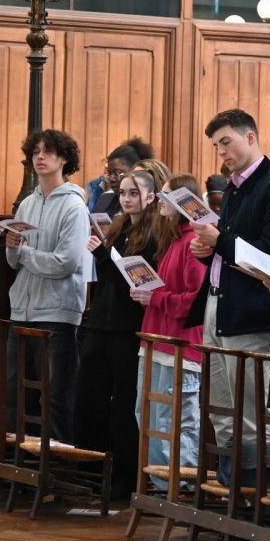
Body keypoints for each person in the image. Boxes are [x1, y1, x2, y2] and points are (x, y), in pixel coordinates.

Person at [186, 108, 270, 483]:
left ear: (250, 137)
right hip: (219, 306)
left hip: (251, 314)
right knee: (222, 411)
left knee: (251, 413)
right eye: (216, 145)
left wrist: (222, 242)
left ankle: (266, 497)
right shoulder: (235, 187)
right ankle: (232, 491)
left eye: (226, 142)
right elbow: (231, 248)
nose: (221, 152)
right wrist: (210, 251)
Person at [75, 169, 159, 500]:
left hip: (129, 327)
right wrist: (104, 253)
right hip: (102, 321)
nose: (126, 199)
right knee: (90, 398)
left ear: (150, 197)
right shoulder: (121, 226)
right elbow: (111, 275)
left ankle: (125, 478)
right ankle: (92, 469)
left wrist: (103, 256)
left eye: (134, 193)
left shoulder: (153, 234)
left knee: (124, 405)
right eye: (123, 193)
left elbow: (134, 280)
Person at [4, 129, 90, 443]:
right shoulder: (26, 204)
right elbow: (13, 262)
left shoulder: (74, 207)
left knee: (55, 398)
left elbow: (65, 263)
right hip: (23, 310)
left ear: (64, 159)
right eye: (36, 151)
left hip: (57, 312)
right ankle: (18, 464)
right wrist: (12, 247)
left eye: (49, 152)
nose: (40, 157)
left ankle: (55, 469)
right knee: (14, 393)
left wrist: (23, 252)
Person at [133, 173, 208, 488]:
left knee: (176, 421)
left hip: (181, 345)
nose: (161, 200)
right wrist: (146, 294)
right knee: (147, 417)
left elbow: (196, 301)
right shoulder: (173, 239)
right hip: (155, 341)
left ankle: (181, 488)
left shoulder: (194, 242)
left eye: (167, 195)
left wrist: (156, 298)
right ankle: (162, 484)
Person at [92, 137, 154, 218]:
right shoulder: (104, 200)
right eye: (109, 174)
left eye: (118, 173)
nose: (112, 179)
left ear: (136, 170)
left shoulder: (145, 203)